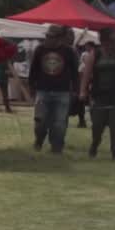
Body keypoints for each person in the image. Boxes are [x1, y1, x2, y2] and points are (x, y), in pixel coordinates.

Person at [29, 25, 79, 155]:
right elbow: (33, 70)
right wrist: (31, 87)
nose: (47, 39)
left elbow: (75, 72)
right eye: (46, 36)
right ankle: (39, 140)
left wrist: (75, 90)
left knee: (59, 123)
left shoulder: (68, 52)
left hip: (62, 92)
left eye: (50, 37)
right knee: (40, 122)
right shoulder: (40, 49)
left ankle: (56, 147)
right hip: (43, 90)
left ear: (59, 38)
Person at [80, 28, 115, 161]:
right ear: (103, 41)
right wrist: (83, 91)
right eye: (112, 40)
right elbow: (86, 74)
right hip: (99, 95)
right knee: (98, 125)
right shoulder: (95, 54)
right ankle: (94, 146)